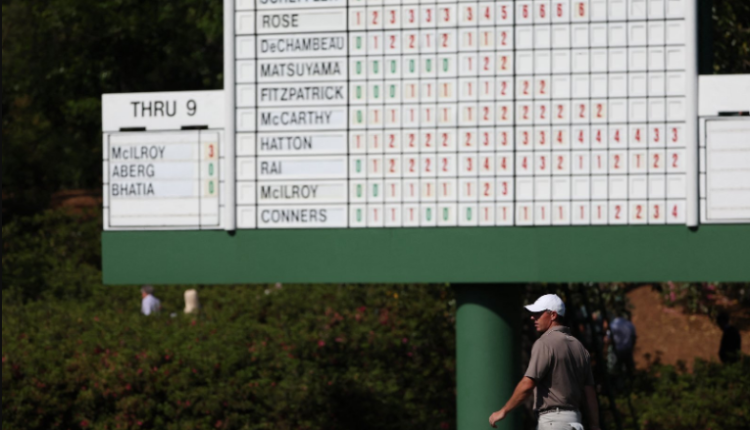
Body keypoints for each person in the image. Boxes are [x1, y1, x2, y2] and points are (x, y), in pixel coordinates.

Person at [489, 294, 600, 430]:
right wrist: (595, 425)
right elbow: (589, 392)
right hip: (575, 422)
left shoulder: (544, 343)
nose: (533, 317)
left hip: (553, 422)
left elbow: (528, 384)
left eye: (538, 313)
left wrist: (504, 411)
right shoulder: (579, 347)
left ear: (553, 315)